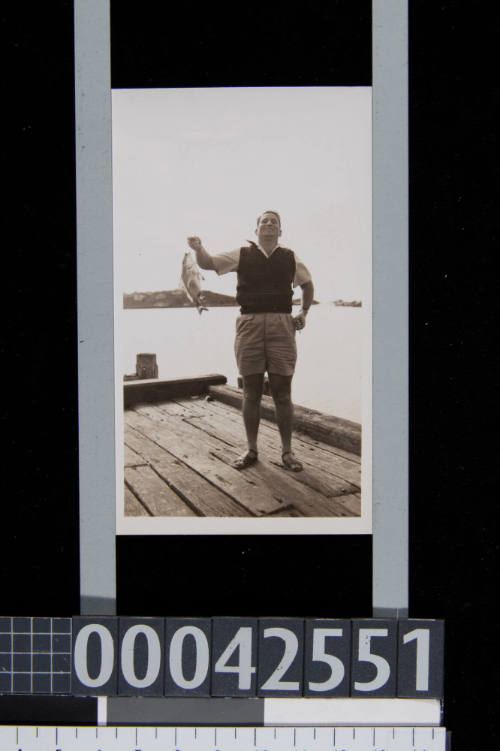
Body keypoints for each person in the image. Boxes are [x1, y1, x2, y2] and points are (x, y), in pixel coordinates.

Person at [187, 210, 314, 472]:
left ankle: (287, 452)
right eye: (264, 221)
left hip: (282, 325)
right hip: (250, 324)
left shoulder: (290, 257)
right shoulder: (242, 254)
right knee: (251, 391)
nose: (269, 224)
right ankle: (251, 449)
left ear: (280, 231)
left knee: (282, 392)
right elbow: (208, 263)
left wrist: (304, 312)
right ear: (255, 229)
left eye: (274, 222)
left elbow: (307, 285)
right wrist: (199, 248)